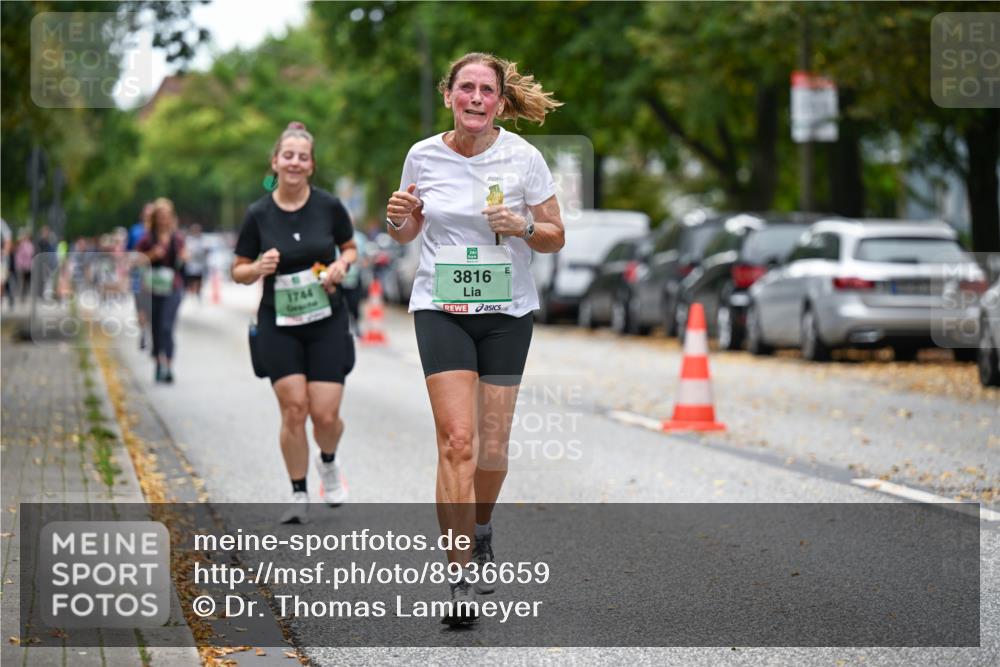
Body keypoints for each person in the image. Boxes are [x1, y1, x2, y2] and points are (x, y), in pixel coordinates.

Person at [385, 52, 564, 622]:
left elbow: (555, 236)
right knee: (456, 442)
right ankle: (458, 574)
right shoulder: (423, 154)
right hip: (441, 306)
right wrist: (398, 217)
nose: (477, 99)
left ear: (501, 102)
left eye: (488, 90)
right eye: (468, 88)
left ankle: (482, 528)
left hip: (506, 312)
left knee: (491, 448)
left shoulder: (524, 158)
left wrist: (525, 226)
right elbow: (408, 227)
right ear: (450, 96)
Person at [232, 122, 358, 525]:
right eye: (288, 155)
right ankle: (299, 491)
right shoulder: (258, 214)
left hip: (326, 320)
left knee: (324, 415)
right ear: (275, 161)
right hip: (278, 322)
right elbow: (237, 270)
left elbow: (351, 248)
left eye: (303, 157)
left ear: (311, 165)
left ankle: (328, 460)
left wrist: (341, 264)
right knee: (293, 410)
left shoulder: (329, 206)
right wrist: (256, 267)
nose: (294, 162)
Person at [136, 198, 186, 383]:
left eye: (167, 216)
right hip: (152, 287)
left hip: (173, 286)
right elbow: (136, 260)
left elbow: (183, 259)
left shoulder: (177, 238)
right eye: (160, 216)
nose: (164, 220)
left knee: (167, 326)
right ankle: (158, 363)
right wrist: (151, 254)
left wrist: (184, 257)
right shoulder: (147, 238)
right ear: (155, 218)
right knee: (156, 327)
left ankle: (169, 366)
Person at [183, 224, 208, 299]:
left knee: (198, 280)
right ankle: (191, 293)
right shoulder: (189, 240)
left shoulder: (203, 240)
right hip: (190, 265)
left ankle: (198, 293)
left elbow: (206, 251)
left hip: (200, 265)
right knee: (191, 280)